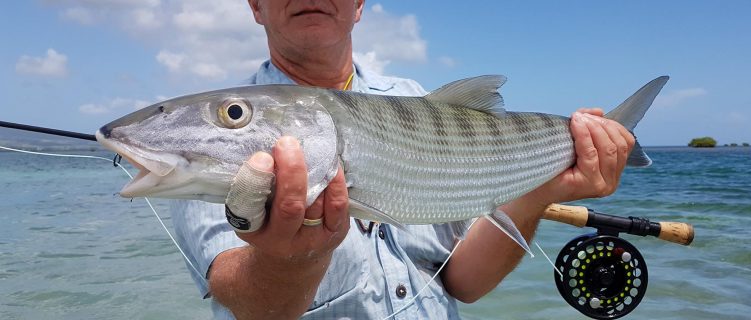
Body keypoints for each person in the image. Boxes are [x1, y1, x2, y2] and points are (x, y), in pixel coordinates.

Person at [171, 0, 637, 319]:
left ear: (358, 5)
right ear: (255, 4)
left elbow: (464, 282)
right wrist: (291, 261)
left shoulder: (421, 101)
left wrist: (544, 190)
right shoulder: (222, 131)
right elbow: (247, 305)